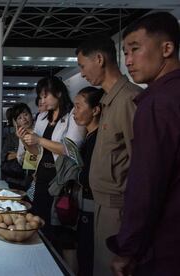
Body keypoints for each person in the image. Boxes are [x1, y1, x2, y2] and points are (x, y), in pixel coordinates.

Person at [107, 12, 180, 276]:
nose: (128, 61)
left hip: (165, 245)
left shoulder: (156, 103)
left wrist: (128, 248)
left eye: (135, 50)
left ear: (167, 48)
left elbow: (146, 181)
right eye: (125, 52)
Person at [76, 36, 142, 275]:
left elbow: (142, 167)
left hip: (118, 210)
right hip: (101, 205)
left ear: (100, 59)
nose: (82, 73)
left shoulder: (127, 100)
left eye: (83, 66)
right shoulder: (109, 102)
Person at [17, 76, 85, 269]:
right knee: (41, 228)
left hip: (63, 181)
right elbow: (35, 153)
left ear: (60, 93)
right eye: (40, 96)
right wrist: (25, 140)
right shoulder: (41, 118)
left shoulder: (72, 115)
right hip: (42, 180)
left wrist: (38, 139)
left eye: (46, 96)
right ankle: (42, 269)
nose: (42, 100)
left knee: (65, 236)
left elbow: (69, 149)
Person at [73, 86, 104, 276]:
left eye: (78, 107)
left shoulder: (98, 139)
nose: (74, 112)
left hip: (92, 207)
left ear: (95, 110)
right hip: (84, 205)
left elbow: (88, 176)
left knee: (88, 256)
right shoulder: (89, 137)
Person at [1, 103, 35, 191]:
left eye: (26, 115)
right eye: (19, 118)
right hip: (19, 178)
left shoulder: (39, 132)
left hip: (37, 177)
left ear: (31, 115)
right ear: (16, 122)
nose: (24, 119)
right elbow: (7, 156)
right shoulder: (17, 136)